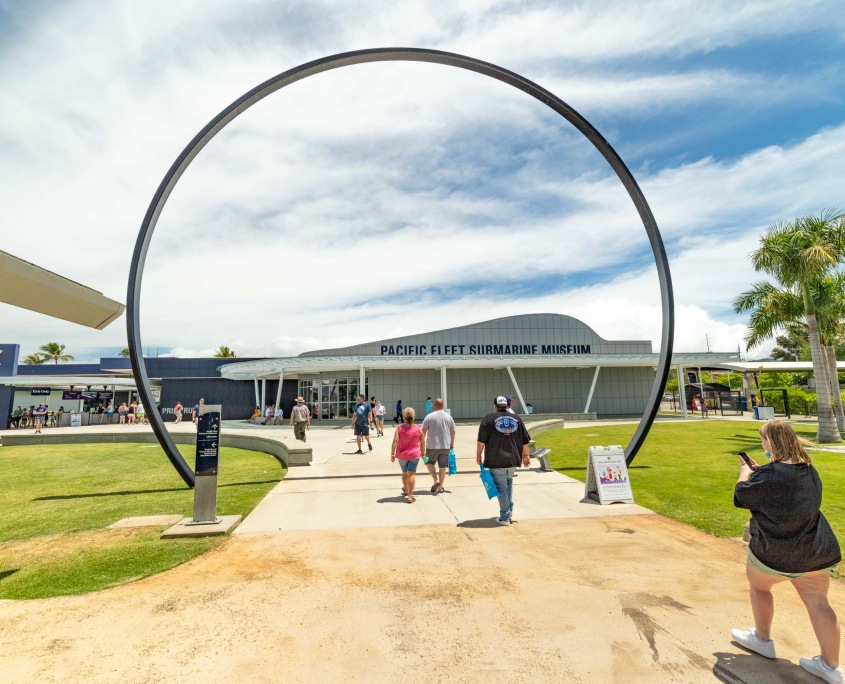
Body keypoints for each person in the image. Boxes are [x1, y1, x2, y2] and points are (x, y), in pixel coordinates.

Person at [731, 421, 842, 682]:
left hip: (776, 553)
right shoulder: (809, 470)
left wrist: (746, 472)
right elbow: (787, 492)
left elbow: (741, 496)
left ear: (770, 443)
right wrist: (762, 474)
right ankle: (831, 667)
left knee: (759, 587)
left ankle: (762, 639)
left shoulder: (767, 475)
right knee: (819, 603)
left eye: (763, 440)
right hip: (815, 552)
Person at [476, 396, 531, 526]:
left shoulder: (488, 419)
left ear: (495, 405)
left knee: (501, 488)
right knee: (508, 483)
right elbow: (525, 440)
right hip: (513, 459)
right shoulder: (517, 418)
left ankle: (505, 516)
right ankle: (509, 509)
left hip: (496, 459)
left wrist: (478, 455)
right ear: (507, 405)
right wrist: (526, 456)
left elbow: (481, 440)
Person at [421, 397, 455, 495]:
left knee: (428, 463)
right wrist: (452, 443)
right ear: (443, 406)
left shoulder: (429, 417)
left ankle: (436, 480)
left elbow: (423, 432)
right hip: (445, 446)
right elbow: (453, 432)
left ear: (434, 406)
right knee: (443, 467)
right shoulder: (448, 417)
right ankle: (440, 487)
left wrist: (421, 445)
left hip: (431, 446)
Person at [391, 406, 424, 503]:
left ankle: (406, 489)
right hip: (414, 455)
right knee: (412, 474)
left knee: (405, 473)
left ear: (404, 417)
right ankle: (410, 496)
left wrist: (392, 454)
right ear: (413, 417)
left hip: (402, 455)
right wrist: (423, 451)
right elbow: (422, 441)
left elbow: (395, 441)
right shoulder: (418, 428)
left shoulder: (399, 428)